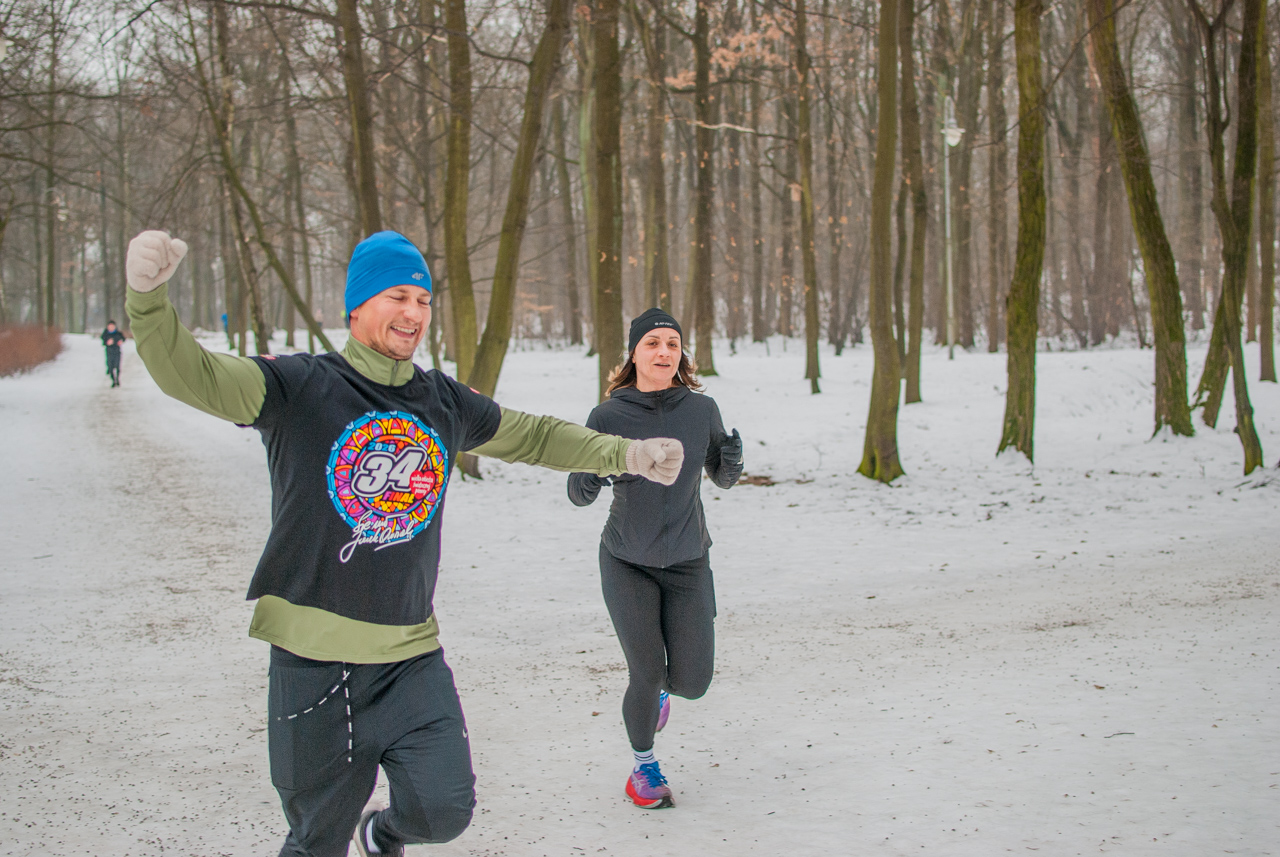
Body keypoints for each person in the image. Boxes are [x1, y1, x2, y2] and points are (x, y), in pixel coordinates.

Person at [123, 229, 685, 857]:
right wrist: (148, 300)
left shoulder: (439, 399)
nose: (414, 313)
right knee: (315, 842)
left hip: (408, 653)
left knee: (444, 809)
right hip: (311, 662)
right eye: (398, 296)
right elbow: (193, 375)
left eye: (423, 300)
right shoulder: (298, 386)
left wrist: (625, 452)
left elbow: (532, 436)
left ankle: (381, 836)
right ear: (356, 306)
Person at [566, 308, 742, 809]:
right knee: (645, 671)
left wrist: (732, 461)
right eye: (652, 344)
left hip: (689, 561)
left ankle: (664, 690)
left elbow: (722, 477)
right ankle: (643, 768)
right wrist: (591, 472)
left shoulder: (700, 410)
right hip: (627, 560)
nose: (664, 352)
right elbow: (579, 495)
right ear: (634, 353)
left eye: (672, 343)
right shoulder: (608, 416)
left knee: (693, 682)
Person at [101, 320, 126, 387]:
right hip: (109, 352)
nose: (111, 327)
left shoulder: (118, 333)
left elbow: (123, 339)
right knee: (110, 366)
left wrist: (121, 341)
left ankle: (118, 379)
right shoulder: (105, 334)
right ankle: (113, 380)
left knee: (117, 366)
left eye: (112, 326)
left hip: (117, 352)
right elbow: (103, 342)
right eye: (110, 326)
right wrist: (107, 342)